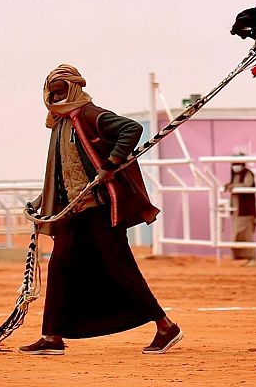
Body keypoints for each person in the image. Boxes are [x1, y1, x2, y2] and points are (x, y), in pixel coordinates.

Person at [20, 64, 182, 355]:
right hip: (76, 212)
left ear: (73, 88)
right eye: (51, 92)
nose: (55, 97)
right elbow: (64, 172)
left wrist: (110, 164)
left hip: (99, 209)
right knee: (60, 267)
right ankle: (52, 336)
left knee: (119, 267)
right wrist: (42, 200)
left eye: (59, 91)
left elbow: (131, 129)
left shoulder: (89, 114)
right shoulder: (60, 124)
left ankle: (166, 326)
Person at [224, 155, 256, 266]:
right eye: (234, 164)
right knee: (237, 236)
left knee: (246, 235)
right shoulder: (234, 175)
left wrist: (233, 186)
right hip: (237, 211)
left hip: (246, 212)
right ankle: (245, 258)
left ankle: (252, 258)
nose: (235, 166)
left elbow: (247, 185)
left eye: (238, 164)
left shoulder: (248, 174)